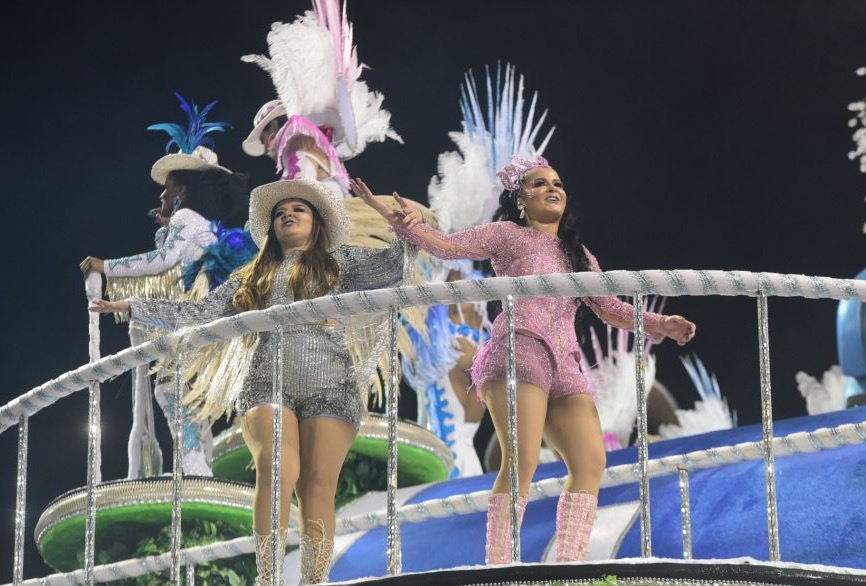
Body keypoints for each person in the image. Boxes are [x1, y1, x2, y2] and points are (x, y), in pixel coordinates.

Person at [350, 156, 696, 564]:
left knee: (590, 462)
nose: (553, 188)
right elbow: (449, 246)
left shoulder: (578, 254)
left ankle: (568, 564)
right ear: (519, 200)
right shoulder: (508, 235)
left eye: (558, 183)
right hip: (519, 348)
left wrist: (661, 323)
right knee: (523, 461)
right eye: (538, 184)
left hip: (565, 362)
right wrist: (403, 221)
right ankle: (500, 564)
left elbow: (608, 306)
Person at [90, 178, 409, 585]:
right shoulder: (253, 274)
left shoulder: (340, 262)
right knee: (276, 470)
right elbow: (198, 313)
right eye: (279, 213)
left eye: (299, 209)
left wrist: (398, 224)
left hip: (332, 383)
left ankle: (314, 581)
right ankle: (269, 578)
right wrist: (134, 306)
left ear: (317, 222)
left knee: (317, 485)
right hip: (266, 379)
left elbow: (395, 268)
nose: (287, 215)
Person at [80, 94, 252, 477]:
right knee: (186, 394)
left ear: (184, 192)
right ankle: (199, 466)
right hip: (208, 320)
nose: (162, 195)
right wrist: (164, 229)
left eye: (169, 187)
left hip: (194, 321)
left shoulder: (186, 219)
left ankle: (194, 471)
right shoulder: (198, 224)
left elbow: (162, 263)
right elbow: (174, 260)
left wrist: (106, 266)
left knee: (174, 390)